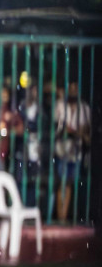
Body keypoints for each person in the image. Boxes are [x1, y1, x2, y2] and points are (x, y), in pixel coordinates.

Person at [52, 81, 90, 223]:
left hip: (76, 152)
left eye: (75, 88)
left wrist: (76, 132)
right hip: (61, 150)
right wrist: (76, 131)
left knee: (69, 183)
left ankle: (64, 216)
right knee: (61, 182)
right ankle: (60, 216)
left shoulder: (85, 108)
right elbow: (60, 127)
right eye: (71, 88)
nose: (73, 91)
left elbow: (86, 129)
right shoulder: (60, 105)